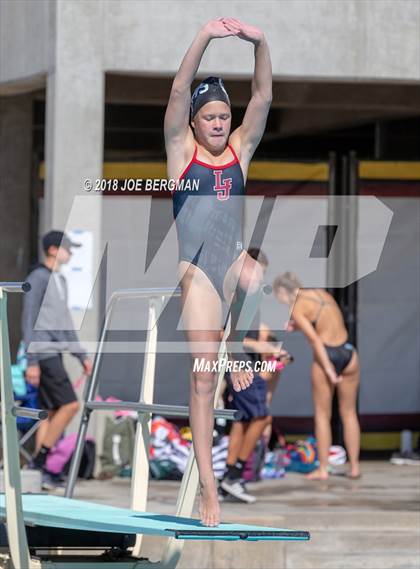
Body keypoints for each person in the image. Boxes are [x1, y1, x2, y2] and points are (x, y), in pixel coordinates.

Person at [164, 18, 272, 525]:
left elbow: (264, 98)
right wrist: (205, 35)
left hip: (229, 263)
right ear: (193, 121)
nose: (217, 124)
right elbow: (180, 87)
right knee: (203, 381)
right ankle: (210, 488)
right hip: (197, 272)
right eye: (208, 117)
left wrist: (260, 44)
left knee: (259, 275)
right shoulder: (181, 152)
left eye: (223, 117)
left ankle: (237, 344)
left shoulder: (239, 153)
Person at [273, 272, 361, 480]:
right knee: (349, 413)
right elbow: (327, 322)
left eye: (280, 299)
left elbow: (315, 340)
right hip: (349, 352)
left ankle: (322, 468)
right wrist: (296, 327)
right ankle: (355, 468)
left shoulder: (297, 306)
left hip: (326, 356)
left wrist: (329, 369)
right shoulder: (322, 294)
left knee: (322, 415)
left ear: (284, 292)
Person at [22, 230, 92, 488]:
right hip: (44, 353)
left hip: (55, 352)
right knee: (71, 405)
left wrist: (80, 354)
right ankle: (42, 462)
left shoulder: (59, 280)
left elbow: (64, 324)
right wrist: (31, 360)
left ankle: (38, 473)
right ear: (53, 249)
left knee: (50, 413)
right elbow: (28, 319)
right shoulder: (38, 278)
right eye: (66, 248)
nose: (70, 252)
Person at [220, 249, 281, 503]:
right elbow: (231, 336)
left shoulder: (251, 297)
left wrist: (274, 346)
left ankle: (227, 479)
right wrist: (263, 348)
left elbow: (253, 332)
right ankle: (235, 476)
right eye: (256, 273)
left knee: (242, 421)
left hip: (241, 361)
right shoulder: (239, 295)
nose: (259, 280)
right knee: (262, 417)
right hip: (239, 363)